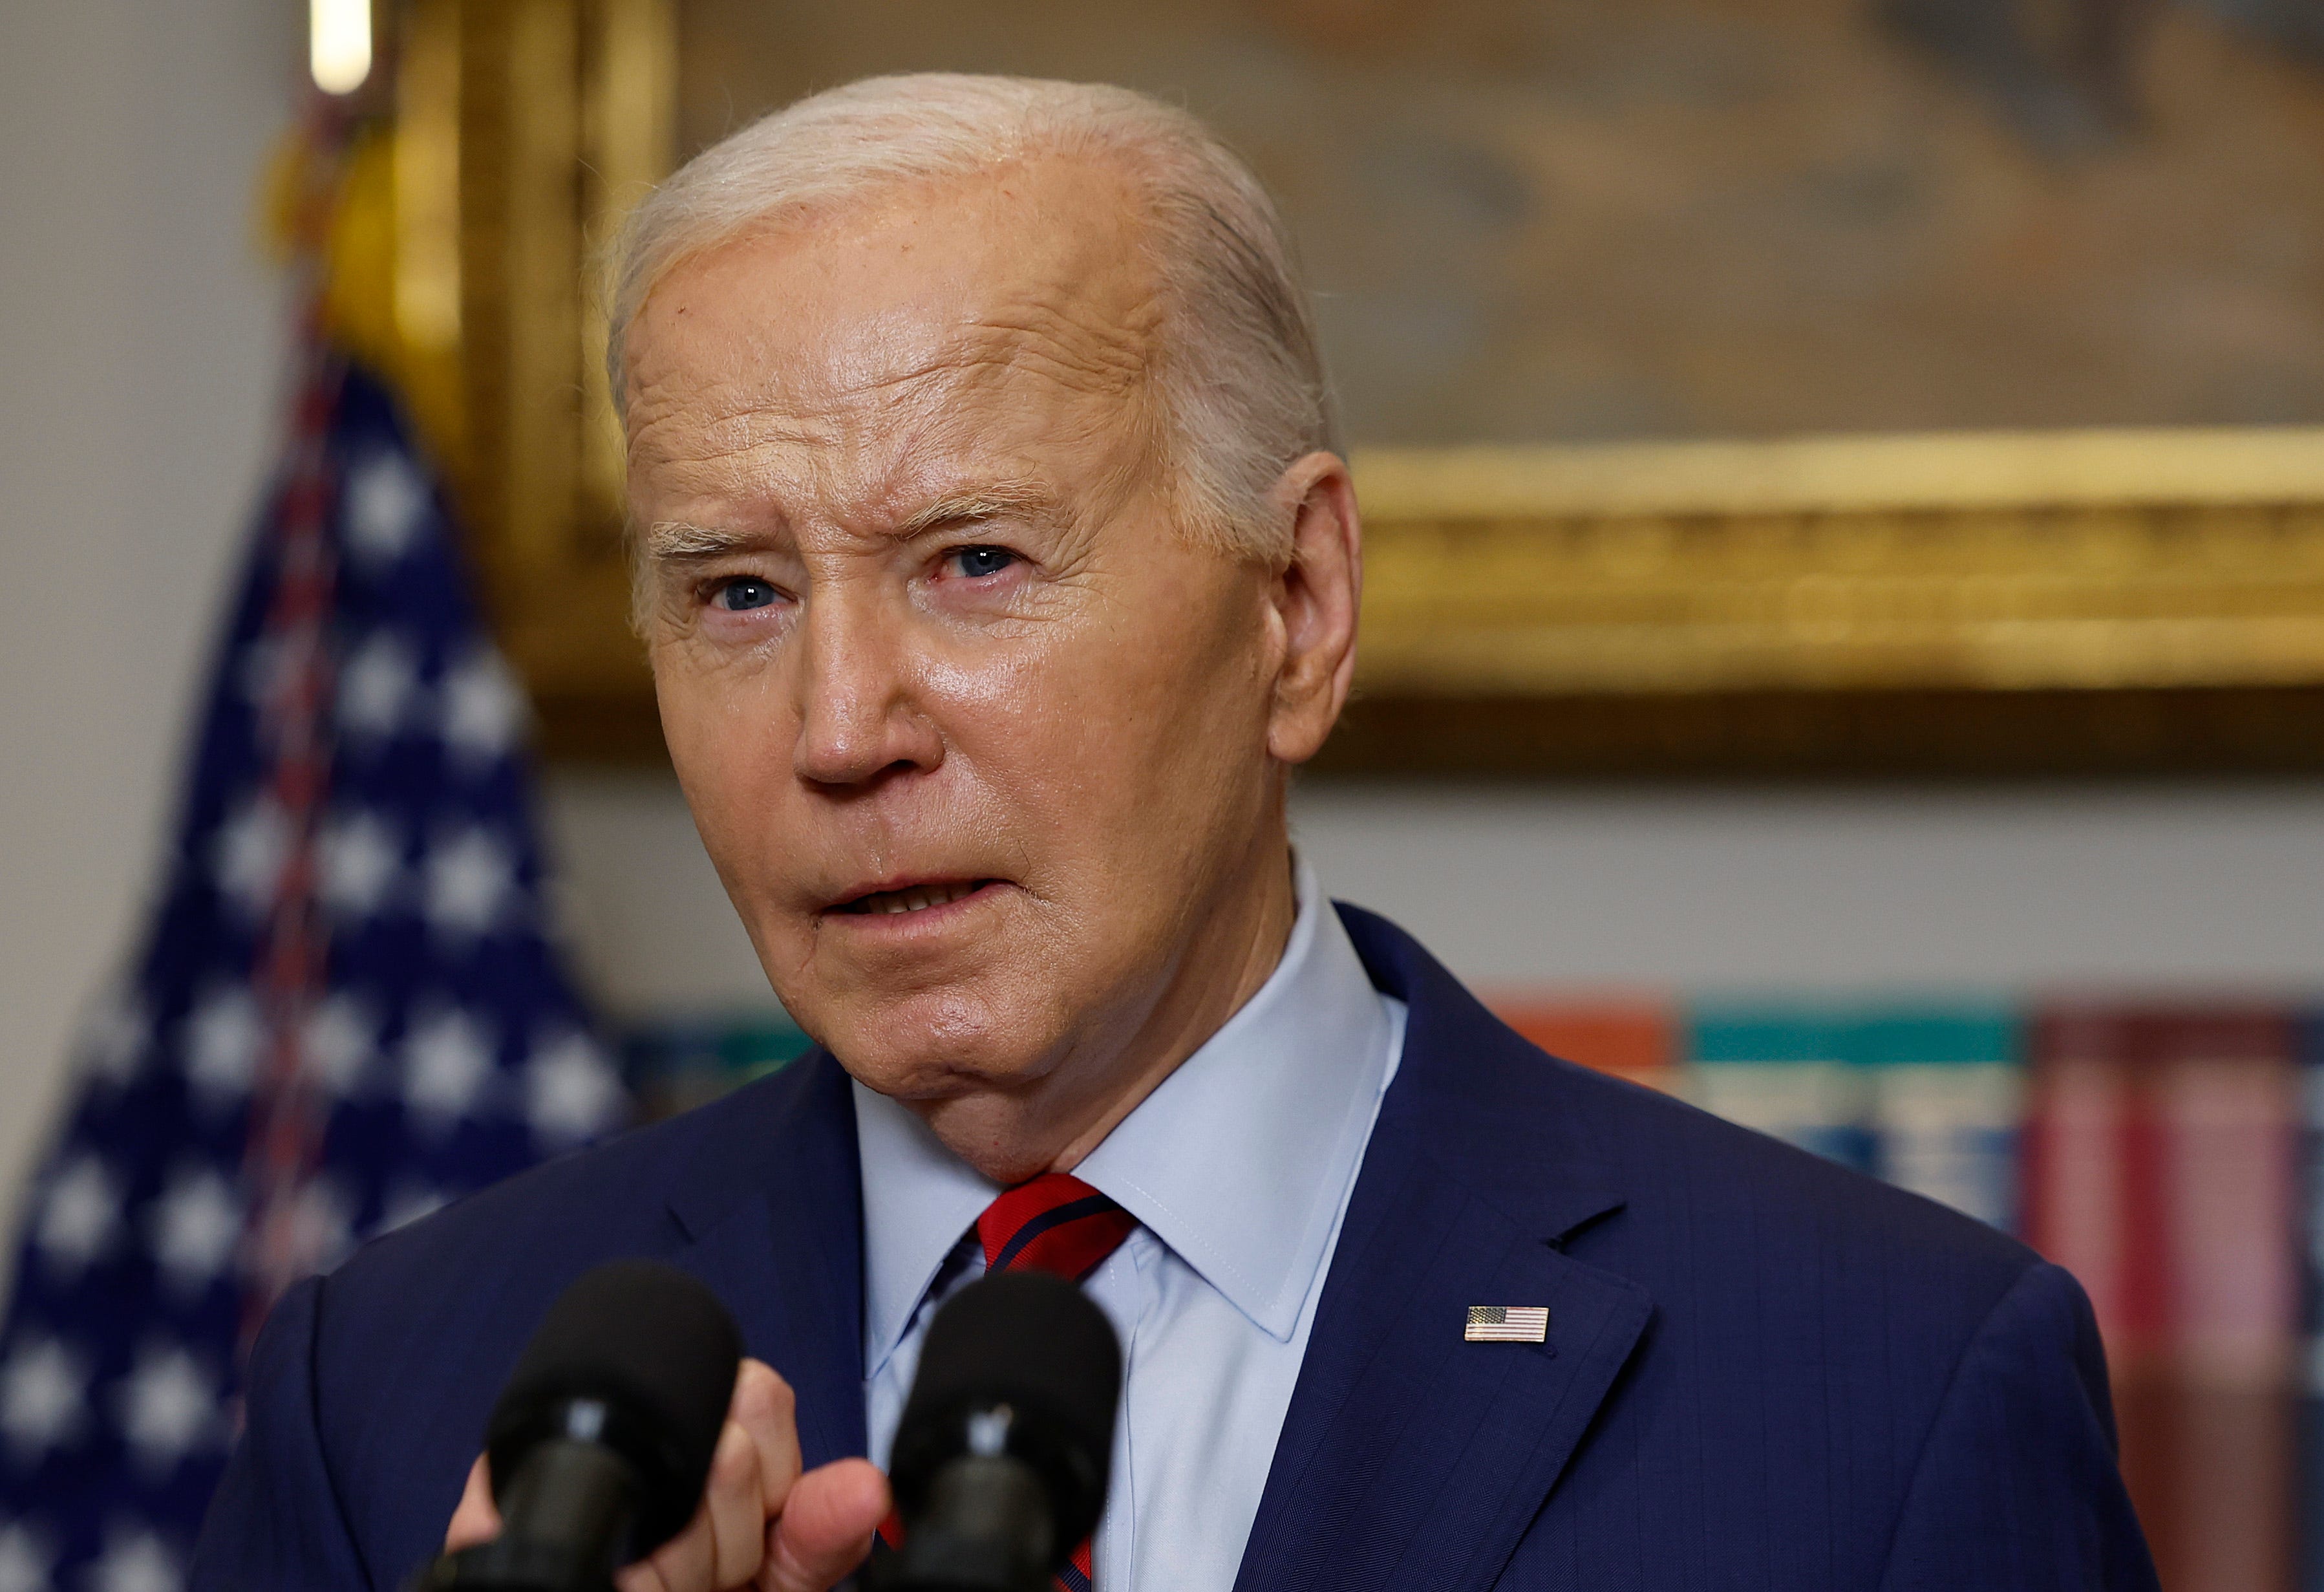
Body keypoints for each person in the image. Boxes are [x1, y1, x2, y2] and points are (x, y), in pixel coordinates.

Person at [191, 74, 2155, 1592]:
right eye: (737, 595)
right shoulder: (400, 1397)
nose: (842, 729)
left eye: (972, 560)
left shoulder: (1875, 1390)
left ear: (1294, 607)